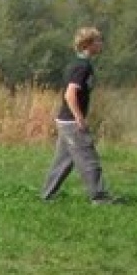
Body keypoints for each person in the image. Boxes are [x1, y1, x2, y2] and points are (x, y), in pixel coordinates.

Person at [39, 27, 116, 204]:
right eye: (98, 41)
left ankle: (47, 195)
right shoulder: (82, 66)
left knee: (63, 161)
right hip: (71, 121)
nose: (101, 44)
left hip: (65, 120)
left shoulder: (78, 63)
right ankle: (100, 197)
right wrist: (79, 118)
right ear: (88, 44)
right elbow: (70, 94)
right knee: (89, 159)